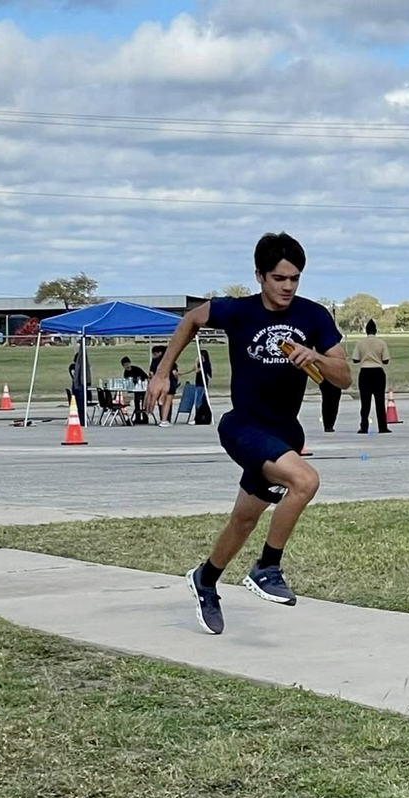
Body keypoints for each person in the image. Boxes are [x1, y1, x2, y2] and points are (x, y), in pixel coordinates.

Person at [145, 231, 350, 635]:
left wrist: (317, 358)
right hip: (243, 427)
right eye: (279, 278)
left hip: (284, 434)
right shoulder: (238, 311)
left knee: (244, 519)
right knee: (305, 481)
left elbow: (343, 378)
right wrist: (162, 372)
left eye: (295, 278)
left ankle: (205, 578)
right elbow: (191, 319)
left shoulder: (314, 316)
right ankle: (267, 567)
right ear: (259, 276)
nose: (288, 287)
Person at [353, 318, 390, 431]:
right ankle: (382, 427)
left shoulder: (360, 343)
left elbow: (355, 359)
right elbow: (386, 360)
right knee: (380, 401)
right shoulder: (381, 343)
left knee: (365, 402)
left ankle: (364, 426)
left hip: (365, 372)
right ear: (376, 330)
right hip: (378, 372)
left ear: (366, 331)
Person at [120, 355, 149, 420]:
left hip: (143, 388)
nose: (127, 366)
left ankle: (145, 417)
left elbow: (144, 377)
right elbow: (126, 380)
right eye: (125, 365)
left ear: (130, 363)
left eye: (127, 364)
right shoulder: (126, 372)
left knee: (144, 403)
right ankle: (137, 417)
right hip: (135, 389)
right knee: (136, 401)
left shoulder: (137, 369)